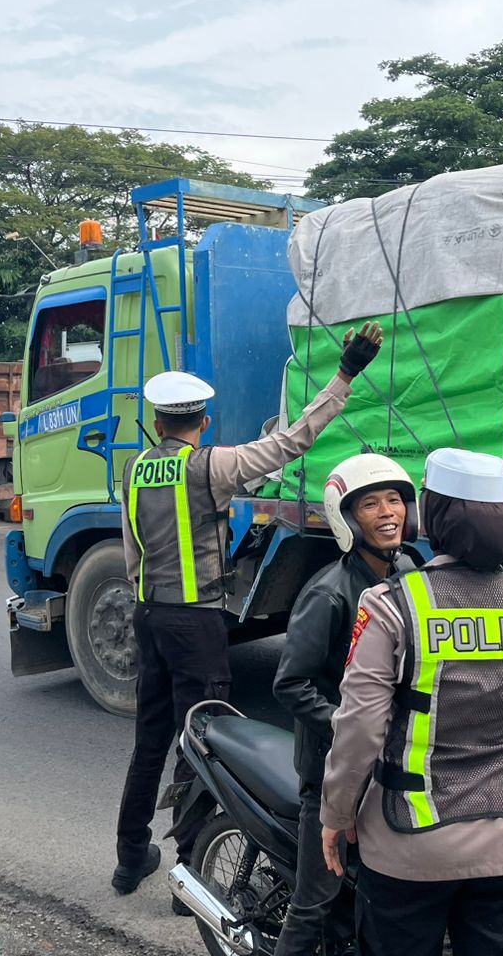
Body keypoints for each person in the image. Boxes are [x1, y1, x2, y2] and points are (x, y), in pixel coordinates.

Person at [112, 321, 385, 898]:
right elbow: (292, 442)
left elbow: (132, 550)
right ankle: (190, 872)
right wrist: (345, 375)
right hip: (196, 623)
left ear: (158, 423)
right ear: (202, 421)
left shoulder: (135, 470)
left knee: (151, 740)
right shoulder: (212, 466)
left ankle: (130, 856)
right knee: (203, 738)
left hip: (149, 616)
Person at [320, 448, 503, 956]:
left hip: (411, 848)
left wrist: (336, 814)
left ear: (428, 517)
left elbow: (358, 727)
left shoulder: (393, 607)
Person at [264, 453, 419, 956]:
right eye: (371, 504)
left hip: (391, 766)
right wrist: (352, 724)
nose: (388, 513)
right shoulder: (328, 592)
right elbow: (290, 682)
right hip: (331, 771)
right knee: (313, 902)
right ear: (347, 518)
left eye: (395, 500)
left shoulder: (409, 571)